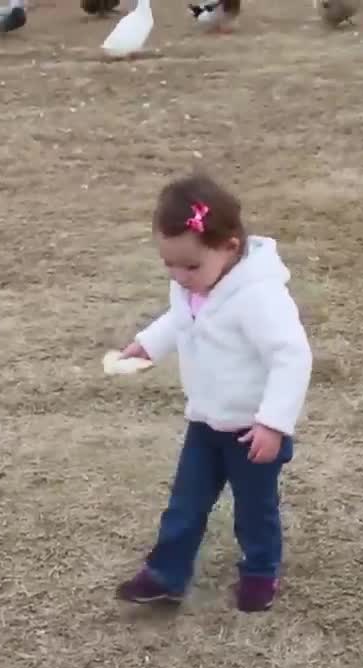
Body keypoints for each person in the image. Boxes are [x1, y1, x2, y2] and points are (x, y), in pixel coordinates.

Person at [115, 173, 313, 612]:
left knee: (254, 510)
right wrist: (148, 344)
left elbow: (291, 356)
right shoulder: (195, 285)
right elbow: (179, 319)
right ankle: (166, 574)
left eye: (189, 267)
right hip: (205, 420)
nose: (179, 276)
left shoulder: (258, 297)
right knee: (185, 503)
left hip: (251, 431)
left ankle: (261, 571)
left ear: (230, 247)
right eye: (169, 264)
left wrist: (273, 423)